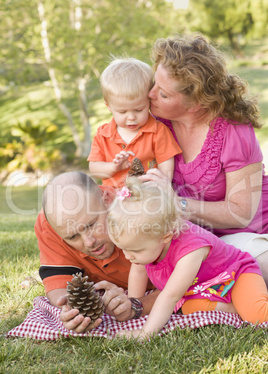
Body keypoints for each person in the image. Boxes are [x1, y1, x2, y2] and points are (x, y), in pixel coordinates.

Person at [142, 33, 268, 285]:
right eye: (154, 83)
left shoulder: (234, 131)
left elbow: (240, 213)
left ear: (196, 104)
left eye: (164, 94)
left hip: (243, 234)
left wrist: (175, 205)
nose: (151, 94)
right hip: (191, 236)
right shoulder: (154, 122)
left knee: (257, 262)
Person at [107, 178, 268, 340]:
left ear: (166, 236)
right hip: (202, 289)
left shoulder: (190, 251)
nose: (128, 256)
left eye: (135, 250)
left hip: (235, 276)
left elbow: (170, 295)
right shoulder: (147, 247)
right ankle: (240, 306)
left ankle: (248, 304)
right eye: (124, 249)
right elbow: (138, 273)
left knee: (258, 317)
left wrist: (146, 333)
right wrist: (131, 309)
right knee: (188, 307)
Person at [35, 171, 160, 333]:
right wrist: (74, 310)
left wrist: (136, 305)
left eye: (92, 224)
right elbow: (58, 282)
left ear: (107, 200)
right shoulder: (52, 223)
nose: (89, 242)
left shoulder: (142, 212)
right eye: (73, 237)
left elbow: (191, 281)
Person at [87, 57, 181, 188]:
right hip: (113, 197)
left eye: (138, 110)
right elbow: (94, 167)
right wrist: (113, 167)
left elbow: (166, 162)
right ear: (108, 106)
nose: (131, 117)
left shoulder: (158, 131)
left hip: (147, 194)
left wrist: (161, 184)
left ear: (149, 101)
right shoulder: (103, 134)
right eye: (122, 112)